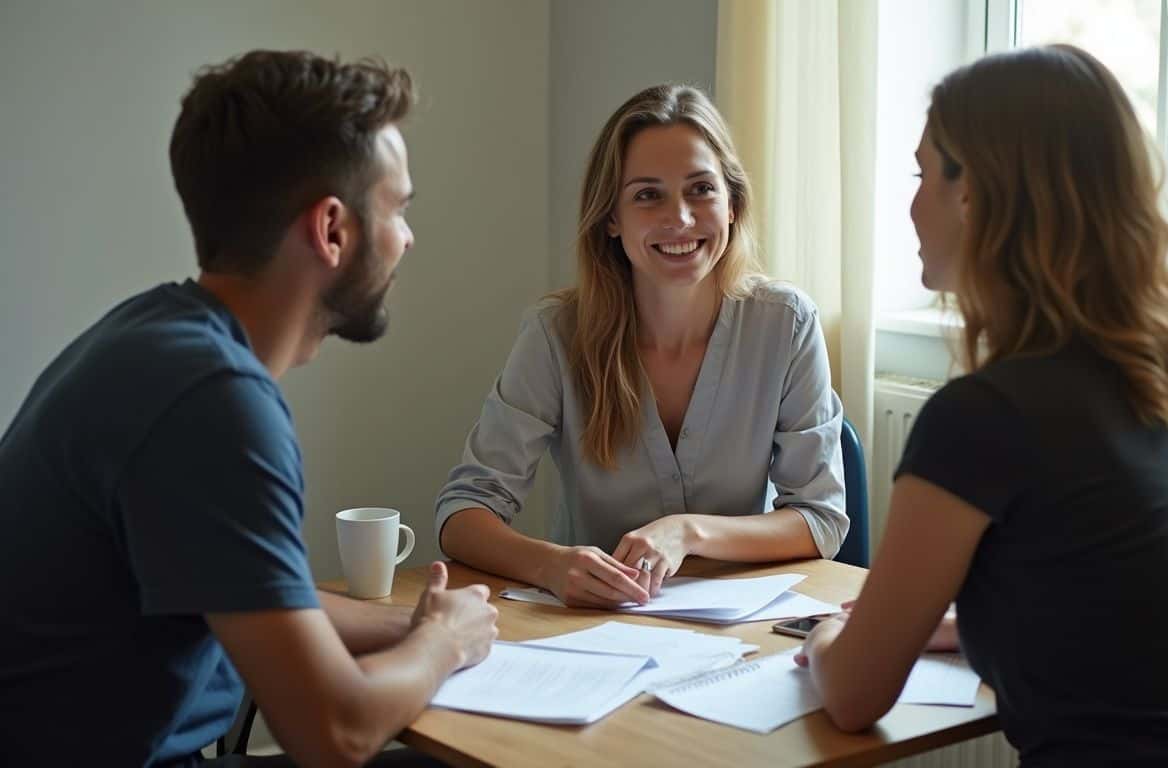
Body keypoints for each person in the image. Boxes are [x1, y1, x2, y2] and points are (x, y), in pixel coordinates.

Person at [798, 45, 1168, 768]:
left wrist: (826, 638)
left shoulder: (982, 416)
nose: (912, 202)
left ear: (977, 195)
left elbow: (855, 695)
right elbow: (1136, 622)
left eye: (922, 172)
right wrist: (968, 627)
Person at [0, 51, 498, 767]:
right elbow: (334, 733)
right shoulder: (212, 402)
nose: (408, 238)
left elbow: (251, 589)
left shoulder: (148, 338)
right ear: (332, 229)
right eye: (398, 208)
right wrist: (441, 645)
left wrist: (409, 627)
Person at [436, 84, 847, 608]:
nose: (680, 218)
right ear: (611, 217)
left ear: (732, 205)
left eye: (701, 189)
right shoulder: (554, 334)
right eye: (648, 195)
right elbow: (464, 511)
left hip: (747, 627)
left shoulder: (786, 324)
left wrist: (688, 532)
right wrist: (550, 564)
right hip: (593, 625)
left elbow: (820, 519)